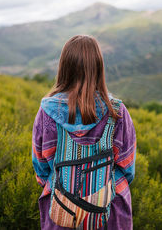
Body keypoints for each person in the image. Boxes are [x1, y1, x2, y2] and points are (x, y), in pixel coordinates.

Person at [32, 34, 136, 230]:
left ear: (64, 67)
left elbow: (41, 168)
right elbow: (128, 168)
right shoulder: (117, 111)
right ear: (98, 68)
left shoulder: (46, 112)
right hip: (110, 214)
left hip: (61, 211)